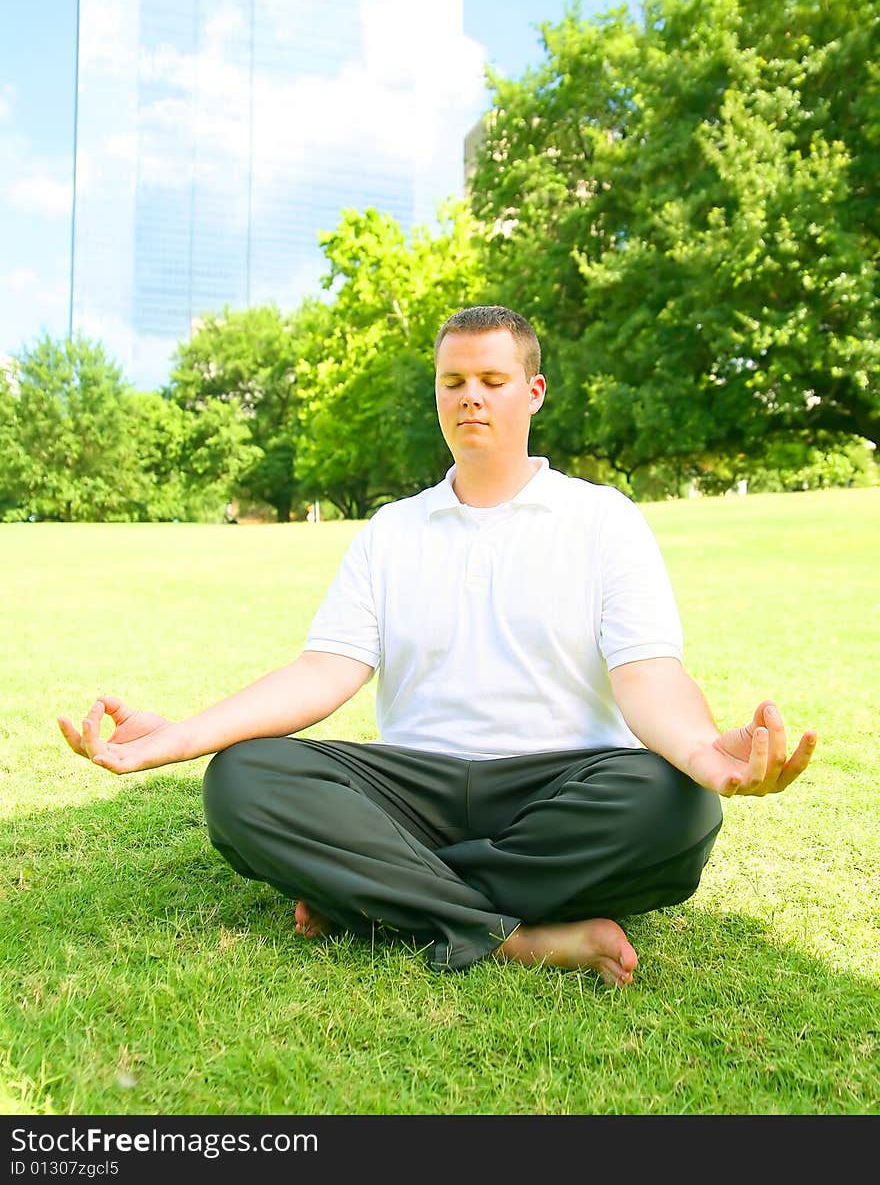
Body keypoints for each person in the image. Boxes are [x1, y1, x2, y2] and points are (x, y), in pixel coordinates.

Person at [58, 306, 817, 987]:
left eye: (492, 377)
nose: (470, 396)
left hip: (560, 785)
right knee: (243, 779)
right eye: (453, 380)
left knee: (678, 808)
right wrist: (183, 735)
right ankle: (511, 937)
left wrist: (699, 752)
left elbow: (649, 675)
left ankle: (371, 897)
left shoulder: (602, 519)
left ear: (535, 391)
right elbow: (325, 671)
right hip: (409, 792)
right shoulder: (392, 530)